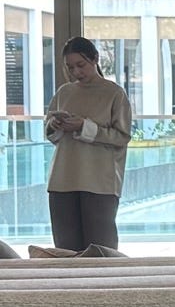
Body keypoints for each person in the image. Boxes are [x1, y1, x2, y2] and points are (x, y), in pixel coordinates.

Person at [44, 36, 132, 251]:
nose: (76, 72)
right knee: (65, 248)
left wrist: (84, 127)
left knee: (100, 247)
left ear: (95, 59)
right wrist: (55, 124)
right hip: (63, 177)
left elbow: (122, 137)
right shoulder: (64, 92)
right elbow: (49, 134)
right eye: (70, 67)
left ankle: (107, 285)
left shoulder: (114, 93)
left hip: (100, 180)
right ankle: (70, 285)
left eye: (80, 65)